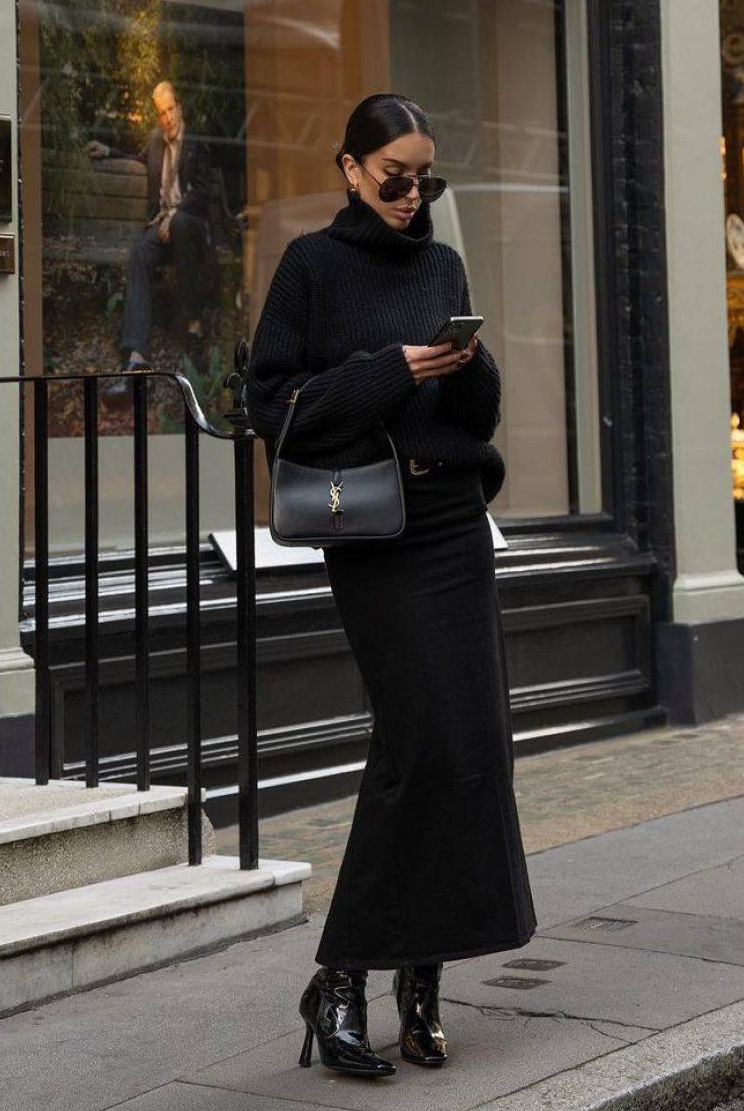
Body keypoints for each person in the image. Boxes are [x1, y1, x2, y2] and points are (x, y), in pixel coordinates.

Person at [243, 93, 537, 1079]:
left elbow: (481, 416)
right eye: (394, 178)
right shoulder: (311, 268)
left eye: (425, 180)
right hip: (370, 532)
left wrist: (466, 363)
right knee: (416, 746)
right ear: (351, 169)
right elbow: (273, 410)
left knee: (469, 752)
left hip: (454, 523)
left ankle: (422, 988)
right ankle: (340, 977)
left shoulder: (440, 265)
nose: (412, 197)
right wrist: (390, 371)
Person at [86, 79, 218, 386]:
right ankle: (136, 352)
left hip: (191, 228)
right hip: (161, 230)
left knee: (183, 225)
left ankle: (193, 326)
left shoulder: (197, 144)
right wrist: (108, 151)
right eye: (162, 113)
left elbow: (201, 194)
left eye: (171, 110)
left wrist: (175, 214)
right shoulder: (157, 142)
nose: (168, 118)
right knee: (140, 252)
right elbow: (138, 160)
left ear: (180, 109)